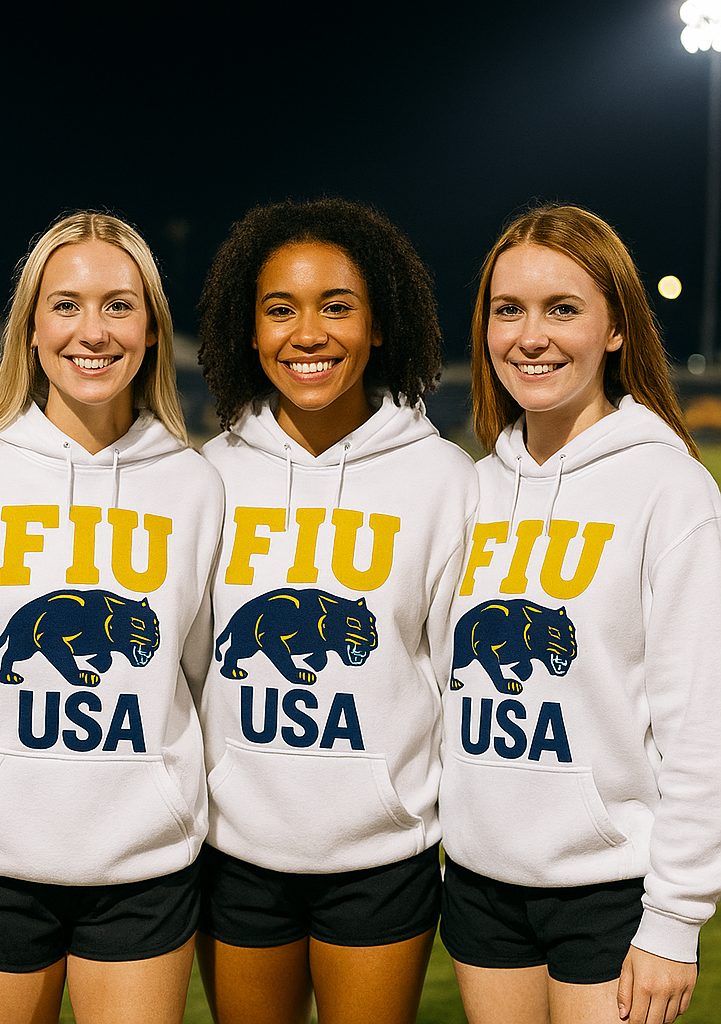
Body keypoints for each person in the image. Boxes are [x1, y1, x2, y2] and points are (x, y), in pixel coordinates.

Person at [0, 212, 224, 1024]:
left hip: (144, 866)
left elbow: (199, 675)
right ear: (30, 328)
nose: (91, 331)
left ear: (154, 329)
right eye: (65, 305)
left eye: (118, 305)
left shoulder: (195, 486)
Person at [195, 197, 478, 1024]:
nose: (307, 333)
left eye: (337, 307)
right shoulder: (207, 475)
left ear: (380, 324)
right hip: (235, 851)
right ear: (249, 331)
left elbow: (457, 676)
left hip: (383, 853)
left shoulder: (444, 479)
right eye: (280, 309)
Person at [439, 204, 721, 1024]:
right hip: (482, 884)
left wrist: (674, 919)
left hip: (610, 890)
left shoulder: (670, 491)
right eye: (508, 310)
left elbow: (700, 726)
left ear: (616, 330)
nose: (531, 336)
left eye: (563, 309)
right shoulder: (476, 488)